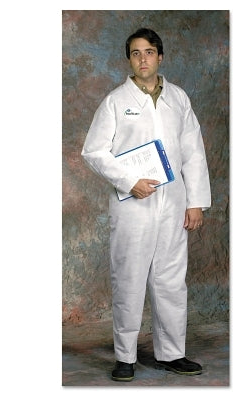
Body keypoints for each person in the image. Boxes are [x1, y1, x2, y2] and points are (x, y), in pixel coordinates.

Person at [81, 28, 211, 382]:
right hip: (133, 204)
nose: (143, 59)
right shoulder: (115, 101)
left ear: (160, 56)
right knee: (129, 278)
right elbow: (94, 151)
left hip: (174, 202)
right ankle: (125, 357)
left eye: (149, 52)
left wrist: (196, 202)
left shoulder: (179, 98)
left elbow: (193, 152)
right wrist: (129, 181)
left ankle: (172, 353)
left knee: (171, 280)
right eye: (136, 53)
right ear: (129, 59)